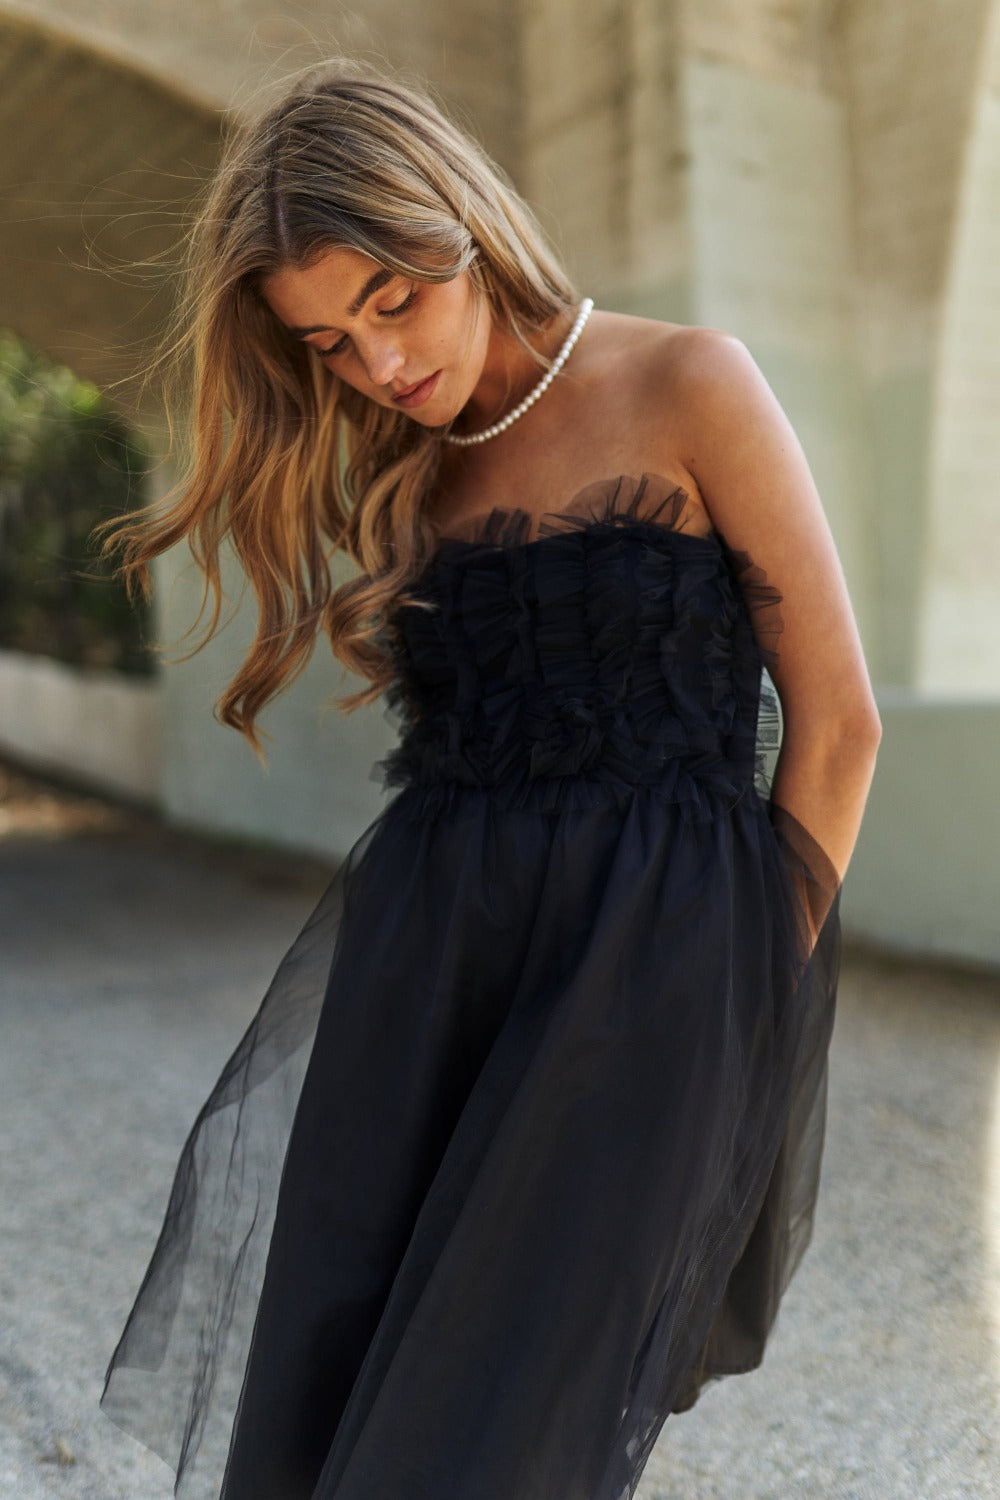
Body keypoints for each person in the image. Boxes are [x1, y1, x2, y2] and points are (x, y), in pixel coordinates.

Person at [97, 58, 880, 1500]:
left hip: (648, 993)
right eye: (330, 343)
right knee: (339, 1408)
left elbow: (838, 727)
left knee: (497, 1439)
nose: (380, 363)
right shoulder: (408, 467)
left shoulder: (688, 384)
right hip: (424, 985)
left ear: (460, 220)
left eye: (392, 301)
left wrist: (743, 1000)